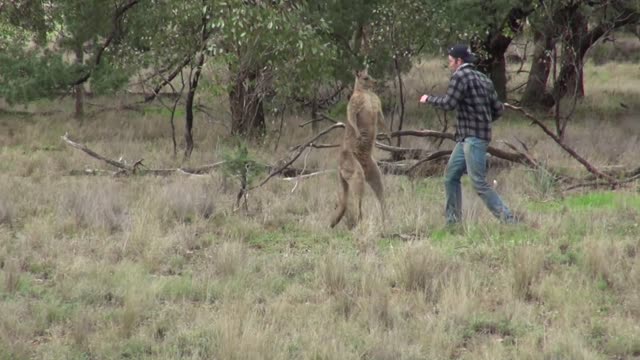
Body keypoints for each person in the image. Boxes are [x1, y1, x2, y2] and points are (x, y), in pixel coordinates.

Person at [419, 44, 516, 225]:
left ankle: (509, 220)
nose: (449, 65)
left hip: (473, 139)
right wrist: (484, 121)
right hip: (467, 138)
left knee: (478, 182)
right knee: (450, 176)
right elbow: (498, 109)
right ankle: (453, 222)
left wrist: (429, 99)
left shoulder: (459, 76)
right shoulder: (483, 78)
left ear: (459, 61)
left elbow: (449, 103)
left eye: (450, 61)